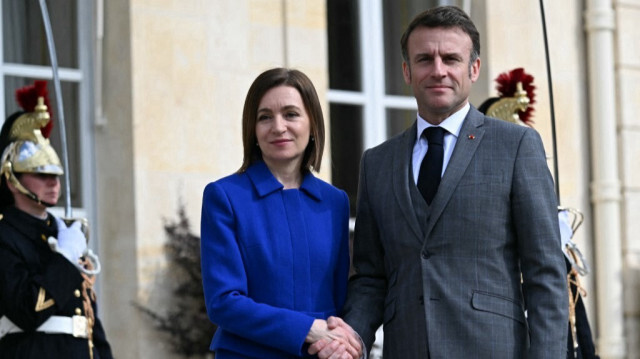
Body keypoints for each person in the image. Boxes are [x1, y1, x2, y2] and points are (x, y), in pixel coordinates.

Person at [311, 6, 568, 359]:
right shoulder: (377, 162)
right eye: (424, 59)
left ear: (473, 68)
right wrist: (351, 335)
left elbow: (545, 274)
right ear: (406, 70)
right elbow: (371, 277)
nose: (438, 71)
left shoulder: (516, 146)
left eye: (451, 58)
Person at [200, 67, 362, 358]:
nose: (278, 126)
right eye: (265, 117)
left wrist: (343, 343)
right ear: (253, 129)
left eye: (291, 114)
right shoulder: (224, 197)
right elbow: (223, 302)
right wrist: (307, 329)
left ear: (312, 124)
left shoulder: (334, 202)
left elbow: (339, 300)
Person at [0, 81, 113, 358]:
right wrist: (64, 259)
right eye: (41, 175)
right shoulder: (5, 234)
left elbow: (88, 321)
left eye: (55, 176)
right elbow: (29, 309)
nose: (53, 184)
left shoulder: (62, 233)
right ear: (12, 180)